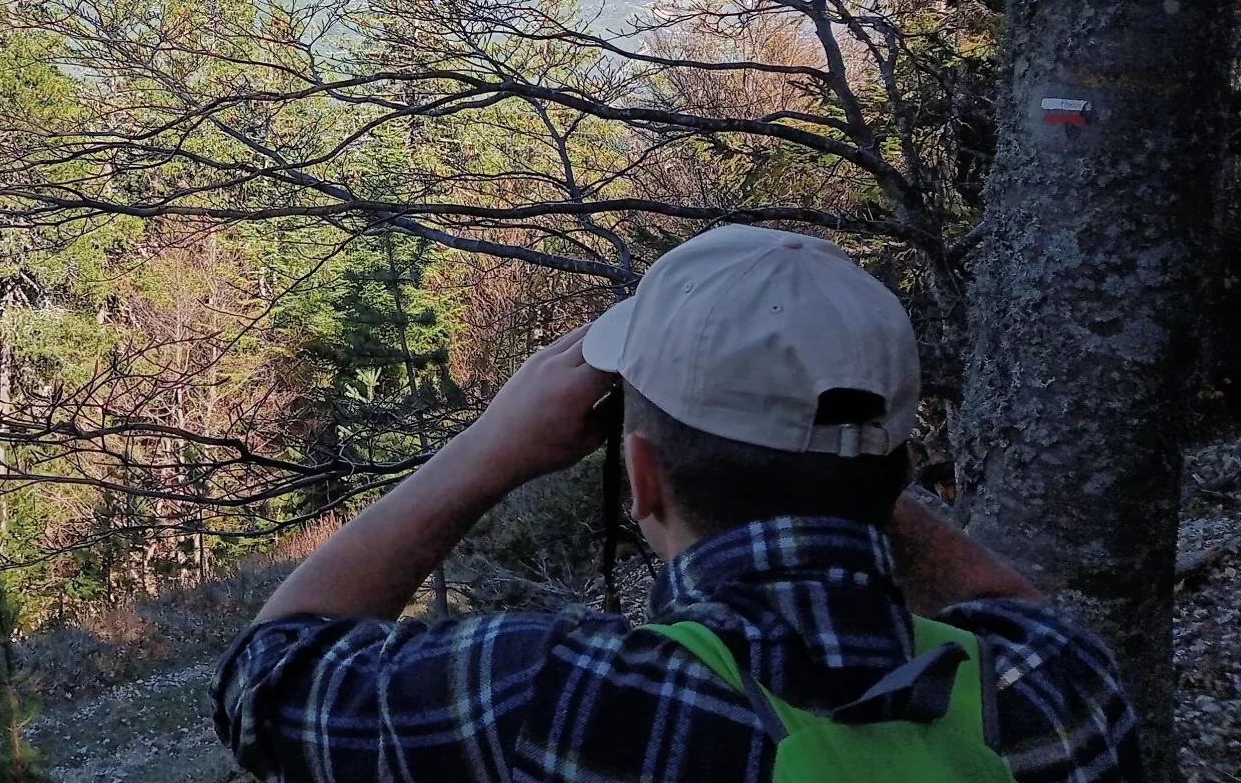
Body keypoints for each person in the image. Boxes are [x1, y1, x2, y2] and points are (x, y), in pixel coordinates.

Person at [213, 225, 1139, 783]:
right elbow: (1022, 615)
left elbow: (269, 681)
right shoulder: (1054, 691)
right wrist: (840, 461)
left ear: (642, 475)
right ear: (897, 471)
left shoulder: (563, 694)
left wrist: (487, 450)